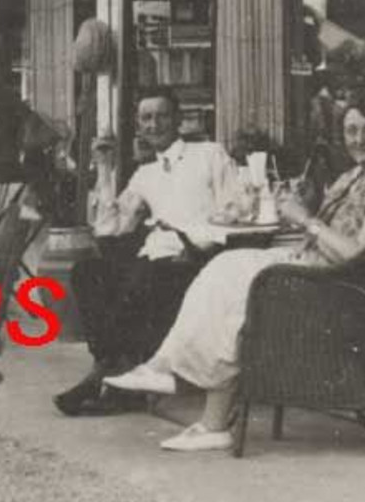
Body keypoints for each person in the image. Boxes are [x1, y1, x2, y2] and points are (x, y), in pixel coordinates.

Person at [106, 91, 365, 451]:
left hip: (338, 294)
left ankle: (192, 395)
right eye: (352, 130)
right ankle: (178, 381)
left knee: (233, 286)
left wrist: (306, 220)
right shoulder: (355, 175)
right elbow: (331, 231)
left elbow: (357, 257)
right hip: (314, 273)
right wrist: (309, 207)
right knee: (224, 275)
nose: (359, 140)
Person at [55, 89, 239, 417]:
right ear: (139, 125)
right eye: (146, 118)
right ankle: (110, 371)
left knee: (147, 277)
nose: (154, 125)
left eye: (162, 116)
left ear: (179, 120)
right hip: (155, 259)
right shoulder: (146, 174)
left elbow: (234, 209)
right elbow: (110, 227)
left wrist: (196, 244)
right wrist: (106, 168)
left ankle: (109, 380)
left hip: (197, 260)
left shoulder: (210, 154)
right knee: (87, 272)